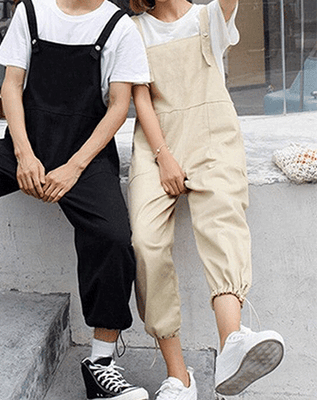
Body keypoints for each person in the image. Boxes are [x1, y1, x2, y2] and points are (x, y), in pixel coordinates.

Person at [0, 0, 151, 398]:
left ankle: (101, 363)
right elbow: (10, 86)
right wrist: (24, 155)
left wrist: (73, 168)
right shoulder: (31, 12)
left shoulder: (119, 27)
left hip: (85, 160)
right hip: (26, 148)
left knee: (112, 237)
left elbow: (118, 107)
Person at [128, 0, 285, 399]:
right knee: (146, 242)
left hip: (212, 134)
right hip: (156, 141)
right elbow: (140, 98)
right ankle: (179, 377)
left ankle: (231, 342)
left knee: (222, 219)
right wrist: (164, 157)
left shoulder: (209, 16)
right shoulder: (134, 29)